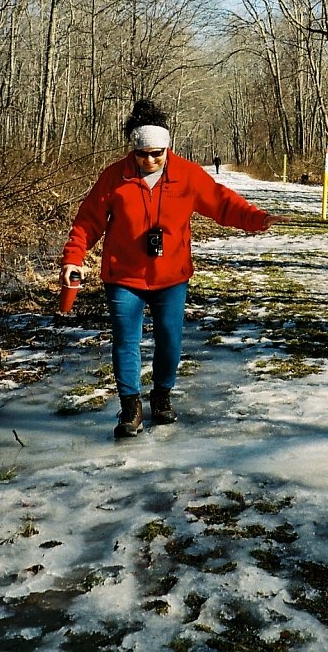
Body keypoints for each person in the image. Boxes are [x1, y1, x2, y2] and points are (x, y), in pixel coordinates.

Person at [60, 99, 285, 439]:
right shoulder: (113, 178)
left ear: (168, 147)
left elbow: (222, 203)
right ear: (132, 151)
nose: (150, 160)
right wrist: (73, 257)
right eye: (142, 154)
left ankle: (161, 396)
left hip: (171, 277)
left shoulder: (188, 175)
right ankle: (130, 408)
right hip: (123, 276)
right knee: (126, 341)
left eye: (157, 153)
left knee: (170, 341)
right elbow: (87, 222)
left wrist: (257, 219)